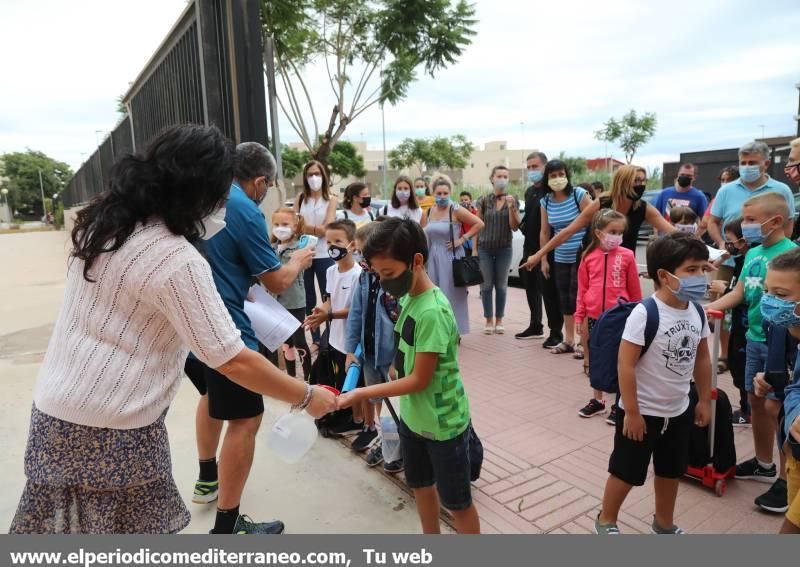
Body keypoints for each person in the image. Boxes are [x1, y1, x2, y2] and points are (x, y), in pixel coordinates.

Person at [8, 126, 336, 535]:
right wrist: (307, 395)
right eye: (220, 194)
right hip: (115, 432)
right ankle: (227, 529)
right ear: (197, 191)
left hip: (55, 417)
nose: (223, 206)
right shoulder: (175, 258)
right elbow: (232, 360)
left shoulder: (106, 227)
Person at [184, 141, 323, 534]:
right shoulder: (244, 207)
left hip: (191, 322)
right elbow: (277, 280)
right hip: (225, 326)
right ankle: (227, 528)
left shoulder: (203, 194)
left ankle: (207, 477)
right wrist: (297, 259)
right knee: (246, 417)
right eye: (268, 185)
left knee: (211, 397)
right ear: (260, 181)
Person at [338, 217, 482, 534]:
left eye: (388, 273)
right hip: (414, 419)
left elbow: (420, 380)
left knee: (458, 503)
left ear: (416, 261)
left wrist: (362, 393)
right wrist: (394, 365)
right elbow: (407, 350)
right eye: (377, 274)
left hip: (443, 425)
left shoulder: (432, 310)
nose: (383, 281)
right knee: (420, 486)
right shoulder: (408, 298)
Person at [594, 233, 712, 535]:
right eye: (692, 270)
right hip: (642, 412)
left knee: (671, 471)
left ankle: (664, 523)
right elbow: (626, 364)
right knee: (626, 472)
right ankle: (606, 519)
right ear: (664, 275)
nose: (701, 277)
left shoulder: (697, 311)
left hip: (678, 410)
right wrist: (631, 412)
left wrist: (704, 400)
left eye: (703, 269)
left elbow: (701, 360)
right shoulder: (645, 313)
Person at [707, 192, 797, 514]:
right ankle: (763, 464)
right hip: (754, 338)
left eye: (750, 219)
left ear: (774, 221)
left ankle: (790, 479)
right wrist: (707, 309)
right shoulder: (754, 253)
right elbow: (741, 292)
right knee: (756, 401)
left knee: (781, 410)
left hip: (783, 343)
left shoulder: (791, 254)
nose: (744, 226)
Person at [522, 165, 675, 268]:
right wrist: (539, 255)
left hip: (623, 266)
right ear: (623, 182)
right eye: (636, 181)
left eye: (643, 181)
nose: (641, 185)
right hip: (597, 265)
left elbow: (672, 232)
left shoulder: (643, 208)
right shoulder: (601, 203)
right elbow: (568, 231)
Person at [344, 222, 404, 473]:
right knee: (380, 401)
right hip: (369, 354)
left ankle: (400, 449)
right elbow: (356, 313)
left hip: (390, 357)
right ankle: (390, 445)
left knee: (397, 405)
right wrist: (350, 350)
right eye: (357, 252)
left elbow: (403, 324)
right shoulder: (364, 276)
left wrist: (396, 363)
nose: (359, 257)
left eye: (362, 252)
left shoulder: (394, 282)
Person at [575, 210, 642, 419]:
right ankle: (598, 400)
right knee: (596, 358)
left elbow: (635, 290)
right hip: (595, 317)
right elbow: (582, 289)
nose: (617, 236)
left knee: (620, 360)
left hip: (620, 318)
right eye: (612, 231)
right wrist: (579, 316)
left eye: (620, 232)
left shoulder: (627, 255)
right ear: (598, 232)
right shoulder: (588, 257)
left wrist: (638, 315)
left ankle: (619, 404)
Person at [754, 247, 800, 534]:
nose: (770, 302)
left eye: (781, 296)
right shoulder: (784, 327)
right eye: (768, 292)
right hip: (794, 454)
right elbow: (795, 385)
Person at [305, 219, 363, 433]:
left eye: (338, 241)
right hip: (334, 339)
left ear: (352, 244)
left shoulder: (358, 275)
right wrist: (321, 311)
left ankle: (359, 423)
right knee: (337, 380)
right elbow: (329, 299)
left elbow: (357, 311)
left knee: (354, 382)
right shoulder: (330, 271)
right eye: (329, 242)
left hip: (350, 339)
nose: (332, 247)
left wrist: (328, 315)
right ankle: (341, 419)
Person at [539, 160, 592, 353]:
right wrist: (544, 259)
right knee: (565, 298)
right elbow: (545, 232)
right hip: (560, 256)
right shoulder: (545, 201)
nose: (557, 179)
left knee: (582, 298)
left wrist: (590, 249)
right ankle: (569, 340)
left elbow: (595, 220)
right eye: (552, 176)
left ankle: (582, 342)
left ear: (567, 175)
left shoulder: (578, 194)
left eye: (560, 174)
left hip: (583, 255)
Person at [423, 175, 484, 337]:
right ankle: (438, 331)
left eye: (445, 193)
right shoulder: (428, 212)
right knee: (434, 296)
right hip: (432, 258)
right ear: (433, 193)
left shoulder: (455, 209)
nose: (442, 196)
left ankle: (454, 331)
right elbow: (422, 234)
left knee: (451, 295)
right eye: (439, 193)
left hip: (451, 258)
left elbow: (479, 224)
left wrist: (462, 239)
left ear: (450, 193)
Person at [707, 141, 795, 251]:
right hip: (731, 258)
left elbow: (788, 224)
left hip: (769, 256)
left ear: (766, 164)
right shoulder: (725, 190)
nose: (747, 167)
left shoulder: (782, 190)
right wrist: (721, 243)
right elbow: (712, 222)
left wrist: (780, 250)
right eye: (743, 163)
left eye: (752, 163)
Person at [516, 152, 564, 346]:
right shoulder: (529, 192)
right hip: (529, 247)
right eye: (528, 167)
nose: (532, 171)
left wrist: (543, 254)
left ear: (545, 167)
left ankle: (556, 332)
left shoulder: (551, 192)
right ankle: (535, 325)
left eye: (535, 166)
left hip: (548, 249)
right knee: (531, 287)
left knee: (549, 291)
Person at [708, 217, 750, 425]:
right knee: (736, 365)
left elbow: (748, 294)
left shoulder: (750, 261)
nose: (728, 245)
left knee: (743, 369)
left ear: (743, 241)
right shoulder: (741, 260)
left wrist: (724, 291)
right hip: (738, 326)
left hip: (747, 327)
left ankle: (747, 410)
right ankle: (746, 407)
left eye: (730, 240)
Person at [295, 160, 338, 349]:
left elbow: (326, 229)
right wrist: (313, 229)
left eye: (317, 174)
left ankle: (330, 336)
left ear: (324, 176)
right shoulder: (300, 198)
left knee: (327, 296)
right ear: (305, 177)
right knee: (308, 298)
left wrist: (307, 228)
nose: (314, 178)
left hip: (324, 254)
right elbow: (295, 226)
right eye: (310, 174)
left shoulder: (331, 199)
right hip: (304, 253)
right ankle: (316, 339)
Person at [475, 166, 521, 334]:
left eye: (505, 176)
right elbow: (476, 226)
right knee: (486, 286)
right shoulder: (483, 200)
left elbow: (515, 227)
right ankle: (488, 319)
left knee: (501, 285)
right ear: (492, 179)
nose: (502, 179)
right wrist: (474, 250)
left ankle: (499, 319)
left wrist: (512, 208)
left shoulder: (512, 199)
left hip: (504, 248)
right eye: (499, 176)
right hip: (484, 249)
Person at [269, 208, 312, 379]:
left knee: (300, 341)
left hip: (295, 301)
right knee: (286, 343)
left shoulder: (300, 247)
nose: (280, 228)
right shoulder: (271, 248)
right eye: (277, 224)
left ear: (295, 226)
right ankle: (291, 377)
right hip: (276, 301)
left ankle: (309, 378)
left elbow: (306, 265)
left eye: (285, 224)